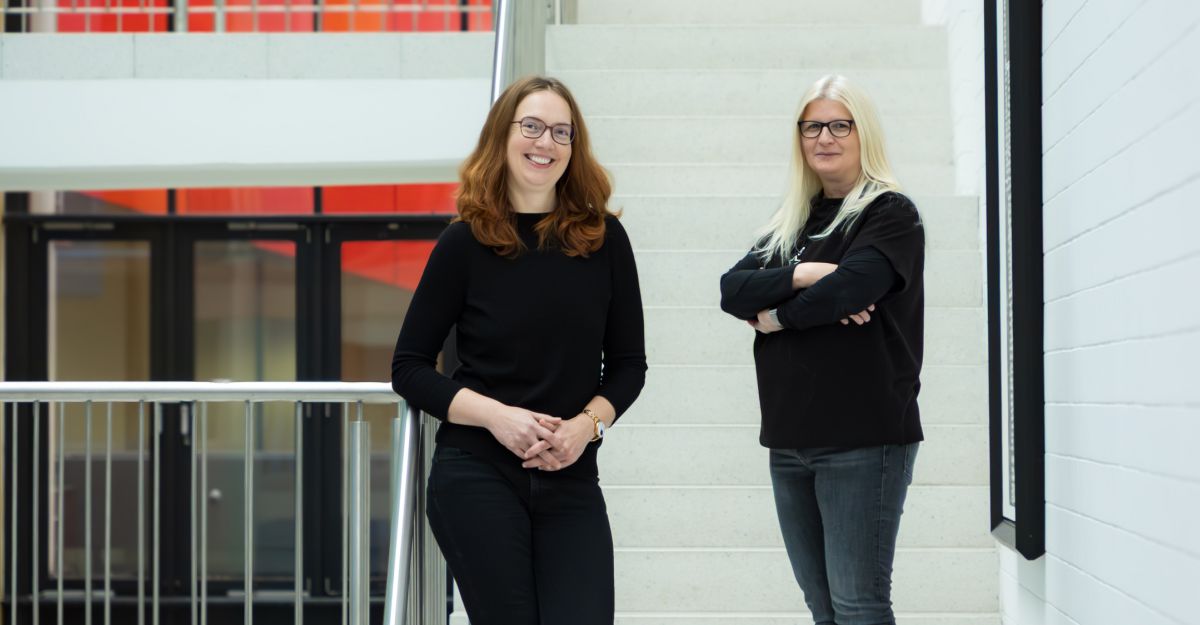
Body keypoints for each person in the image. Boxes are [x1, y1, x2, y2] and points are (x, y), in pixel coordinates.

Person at [390, 75, 646, 625]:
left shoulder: (604, 240)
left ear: (573, 147)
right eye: (531, 126)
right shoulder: (463, 242)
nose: (545, 142)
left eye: (561, 132)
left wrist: (584, 428)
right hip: (477, 475)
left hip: (571, 476)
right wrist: (498, 418)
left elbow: (629, 366)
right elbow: (408, 367)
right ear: (502, 137)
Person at [718, 74, 925, 625]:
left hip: (863, 439)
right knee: (823, 608)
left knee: (859, 605)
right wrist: (806, 274)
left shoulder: (890, 214)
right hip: (789, 441)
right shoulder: (793, 222)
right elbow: (732, 290)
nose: (824, 138)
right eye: (811, 127)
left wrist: (777, 316)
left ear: (864, 133)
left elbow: (853, 288)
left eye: (839, 125)